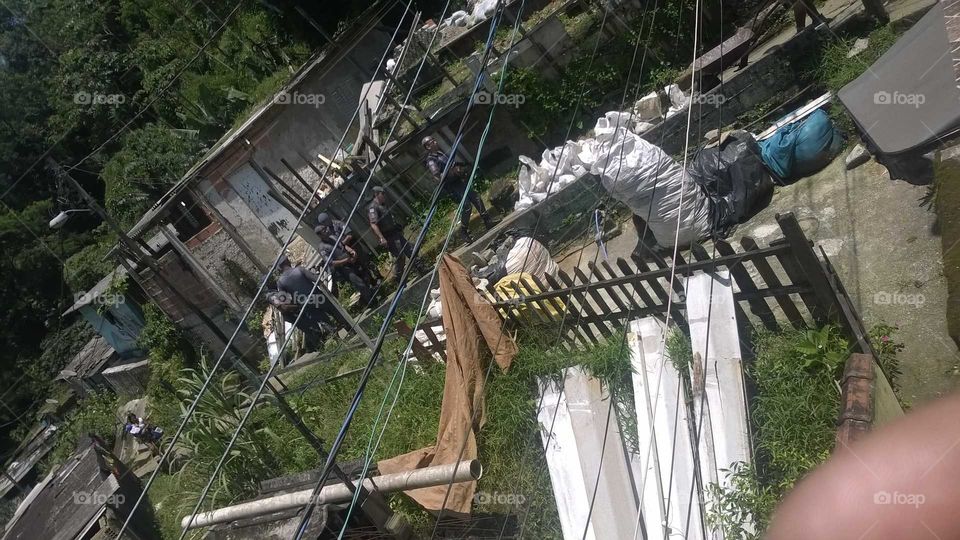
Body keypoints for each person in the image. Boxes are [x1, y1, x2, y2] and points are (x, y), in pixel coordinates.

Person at [422, 135, 494, 243]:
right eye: (432, 142)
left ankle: (487, 220)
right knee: (466, 206)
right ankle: (463, 232)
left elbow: (452, 164)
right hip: (453, 186)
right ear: (428, 147)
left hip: (459, 181)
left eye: (434, 140)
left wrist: (461, 166)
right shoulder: (431, 160)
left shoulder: (440, 154)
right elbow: (437, 176)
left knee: (476, 197)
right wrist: (452, 173)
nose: (435, 142)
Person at [276, 255, 340, 335]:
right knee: (336, 312)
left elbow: (283, 300)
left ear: (280, 268)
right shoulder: (299, 269)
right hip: (318, 297)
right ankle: (352, 329)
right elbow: (316, 280)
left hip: (306, 304)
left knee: (325, 322)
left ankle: (338, 338)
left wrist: (296, 303)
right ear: (287, 262)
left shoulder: (280, 282)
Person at [368, 186, 422, 278]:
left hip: (395, 233)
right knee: (400, 256)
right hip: (388, 236)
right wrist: (382, 238)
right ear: (376, 194)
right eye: (382, 193)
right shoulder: (373, 208)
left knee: (409, 249)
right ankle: (398, 276)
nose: (384, 195)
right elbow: (373, 224)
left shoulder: (383, 205)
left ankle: (421, 268)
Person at [315, 212, 380, 288]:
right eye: (323, 223)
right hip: (345, 252)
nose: (325, 224)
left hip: (353, 246)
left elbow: (350, 234)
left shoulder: (337, 223)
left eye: (325, 221)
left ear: (328, 218)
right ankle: (371, 283)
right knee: (359, 269)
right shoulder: (326, 231)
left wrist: (342, 243)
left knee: (365, 261)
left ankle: (378, 276)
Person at [316, 235, 375, 306]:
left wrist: (351, 251)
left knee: (365, 277)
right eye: (324, 231)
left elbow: (343, 246)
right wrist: (347, 260)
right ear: (320, 234)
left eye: (326, 228)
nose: (327, 231)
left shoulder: (332, 237)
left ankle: (364, 300)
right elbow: (331, 262)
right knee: (359, 283)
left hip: (352, 261)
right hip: (343, 268)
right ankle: (372, 301)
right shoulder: (322, 247)